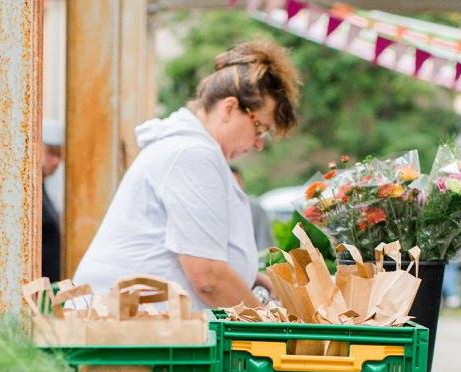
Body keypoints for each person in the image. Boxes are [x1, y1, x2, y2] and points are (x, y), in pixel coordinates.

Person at [73, 40, 300, 309]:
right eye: (259, 128)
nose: (259, 143)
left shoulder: (194, 150)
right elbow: (208, 277)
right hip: (131, 330)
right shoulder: (192, 154)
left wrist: (249, 278)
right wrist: (263, 324)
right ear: (229, 109)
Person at [229, 164, 275, 258]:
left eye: (238, 182)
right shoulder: (217, 211)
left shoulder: (254, 207)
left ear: (243, 183)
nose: (235, 188)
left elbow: (264, 242)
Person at [41, 120, 64, 281]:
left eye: (59, 155)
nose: (56, 161)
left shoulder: (42, 190)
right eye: (50, 153)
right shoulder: (27, 196)